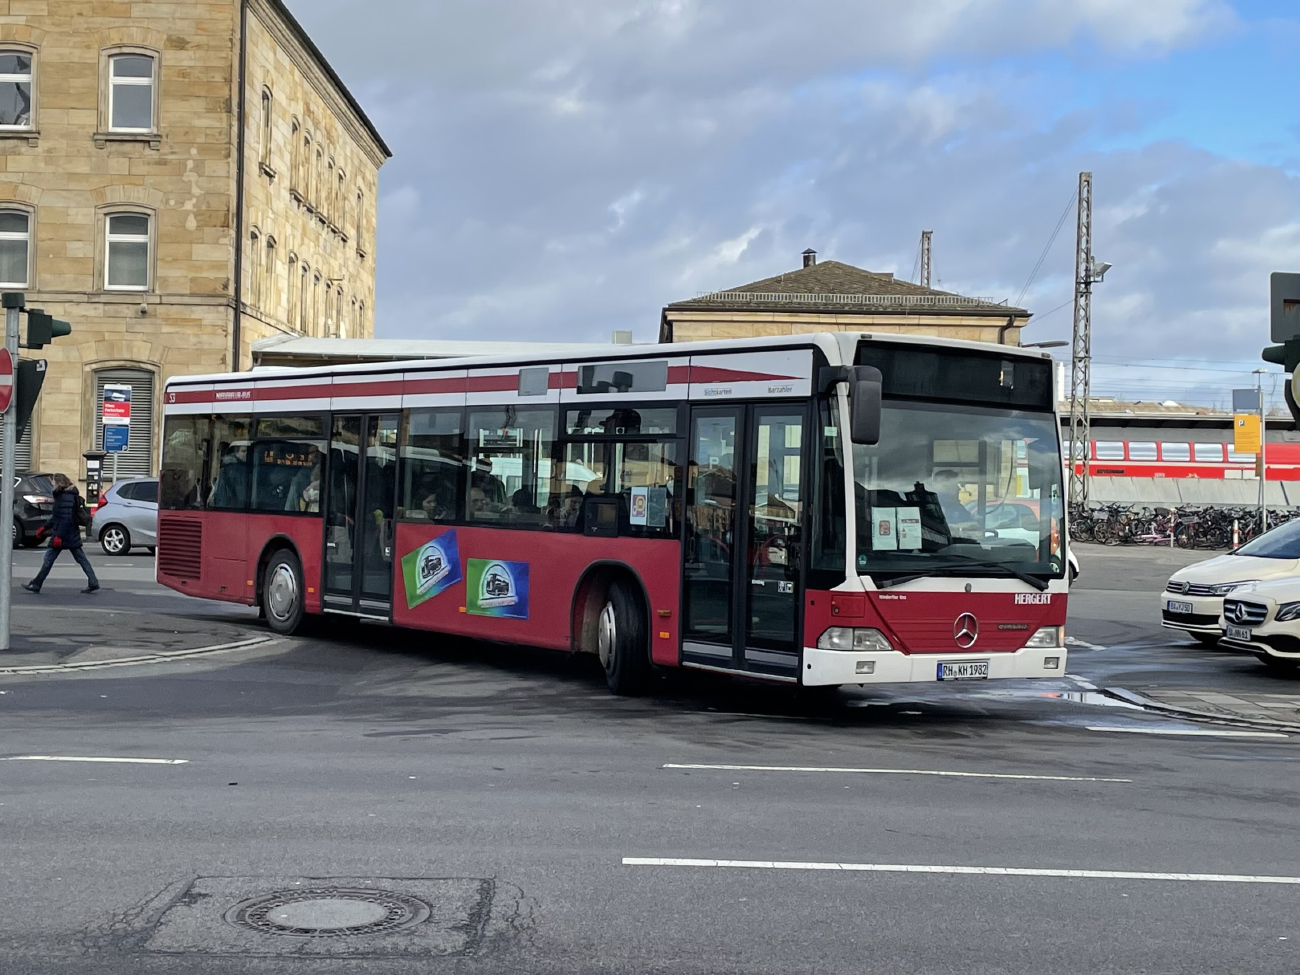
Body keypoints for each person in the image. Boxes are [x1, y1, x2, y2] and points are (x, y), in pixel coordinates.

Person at [22, 473, 100, 594]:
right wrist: (44, 527)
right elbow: (58, 517)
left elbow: (65, 519)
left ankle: (37, 584)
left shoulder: (65, 497)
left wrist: (59, 536)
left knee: (48, 559)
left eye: (52, 482)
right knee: (81, 559)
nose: (51, 485)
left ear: (58, 483)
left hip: (64, 534)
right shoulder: (64, 495)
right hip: (70, 533)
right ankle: (93, 582)